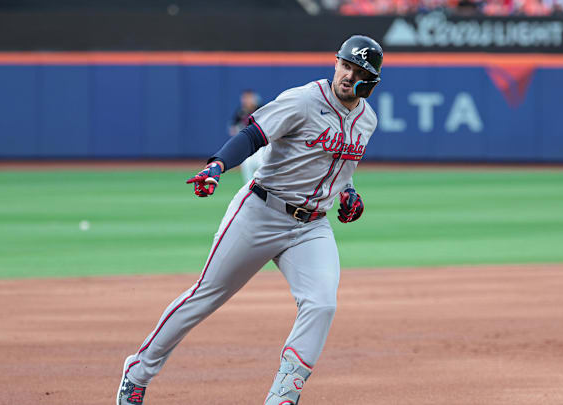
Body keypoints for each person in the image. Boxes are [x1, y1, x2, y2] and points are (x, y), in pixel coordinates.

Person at [116, 34, 383, 405]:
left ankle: (283, 396)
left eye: (356, 71)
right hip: (260, 212)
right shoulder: (304, 100)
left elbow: (339, 166)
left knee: (322, 304)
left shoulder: (367, 120)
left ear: (369, 82)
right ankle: (137, 372)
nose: (346, 74)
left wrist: (349, 192)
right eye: (344, 64)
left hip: (311, 227)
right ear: (336, 62)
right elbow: (254, 134)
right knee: (205, 296)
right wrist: (218, 165)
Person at [229, 89, 265, 184]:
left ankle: (264, 187)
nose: (246, 100)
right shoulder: (240, 112)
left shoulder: (260, 109)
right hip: (246, 143)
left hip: (260, 143)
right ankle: (249, 188)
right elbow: (232, 128)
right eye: (245, 98)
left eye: (249, 98)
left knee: (261, 165)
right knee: (247, 166)